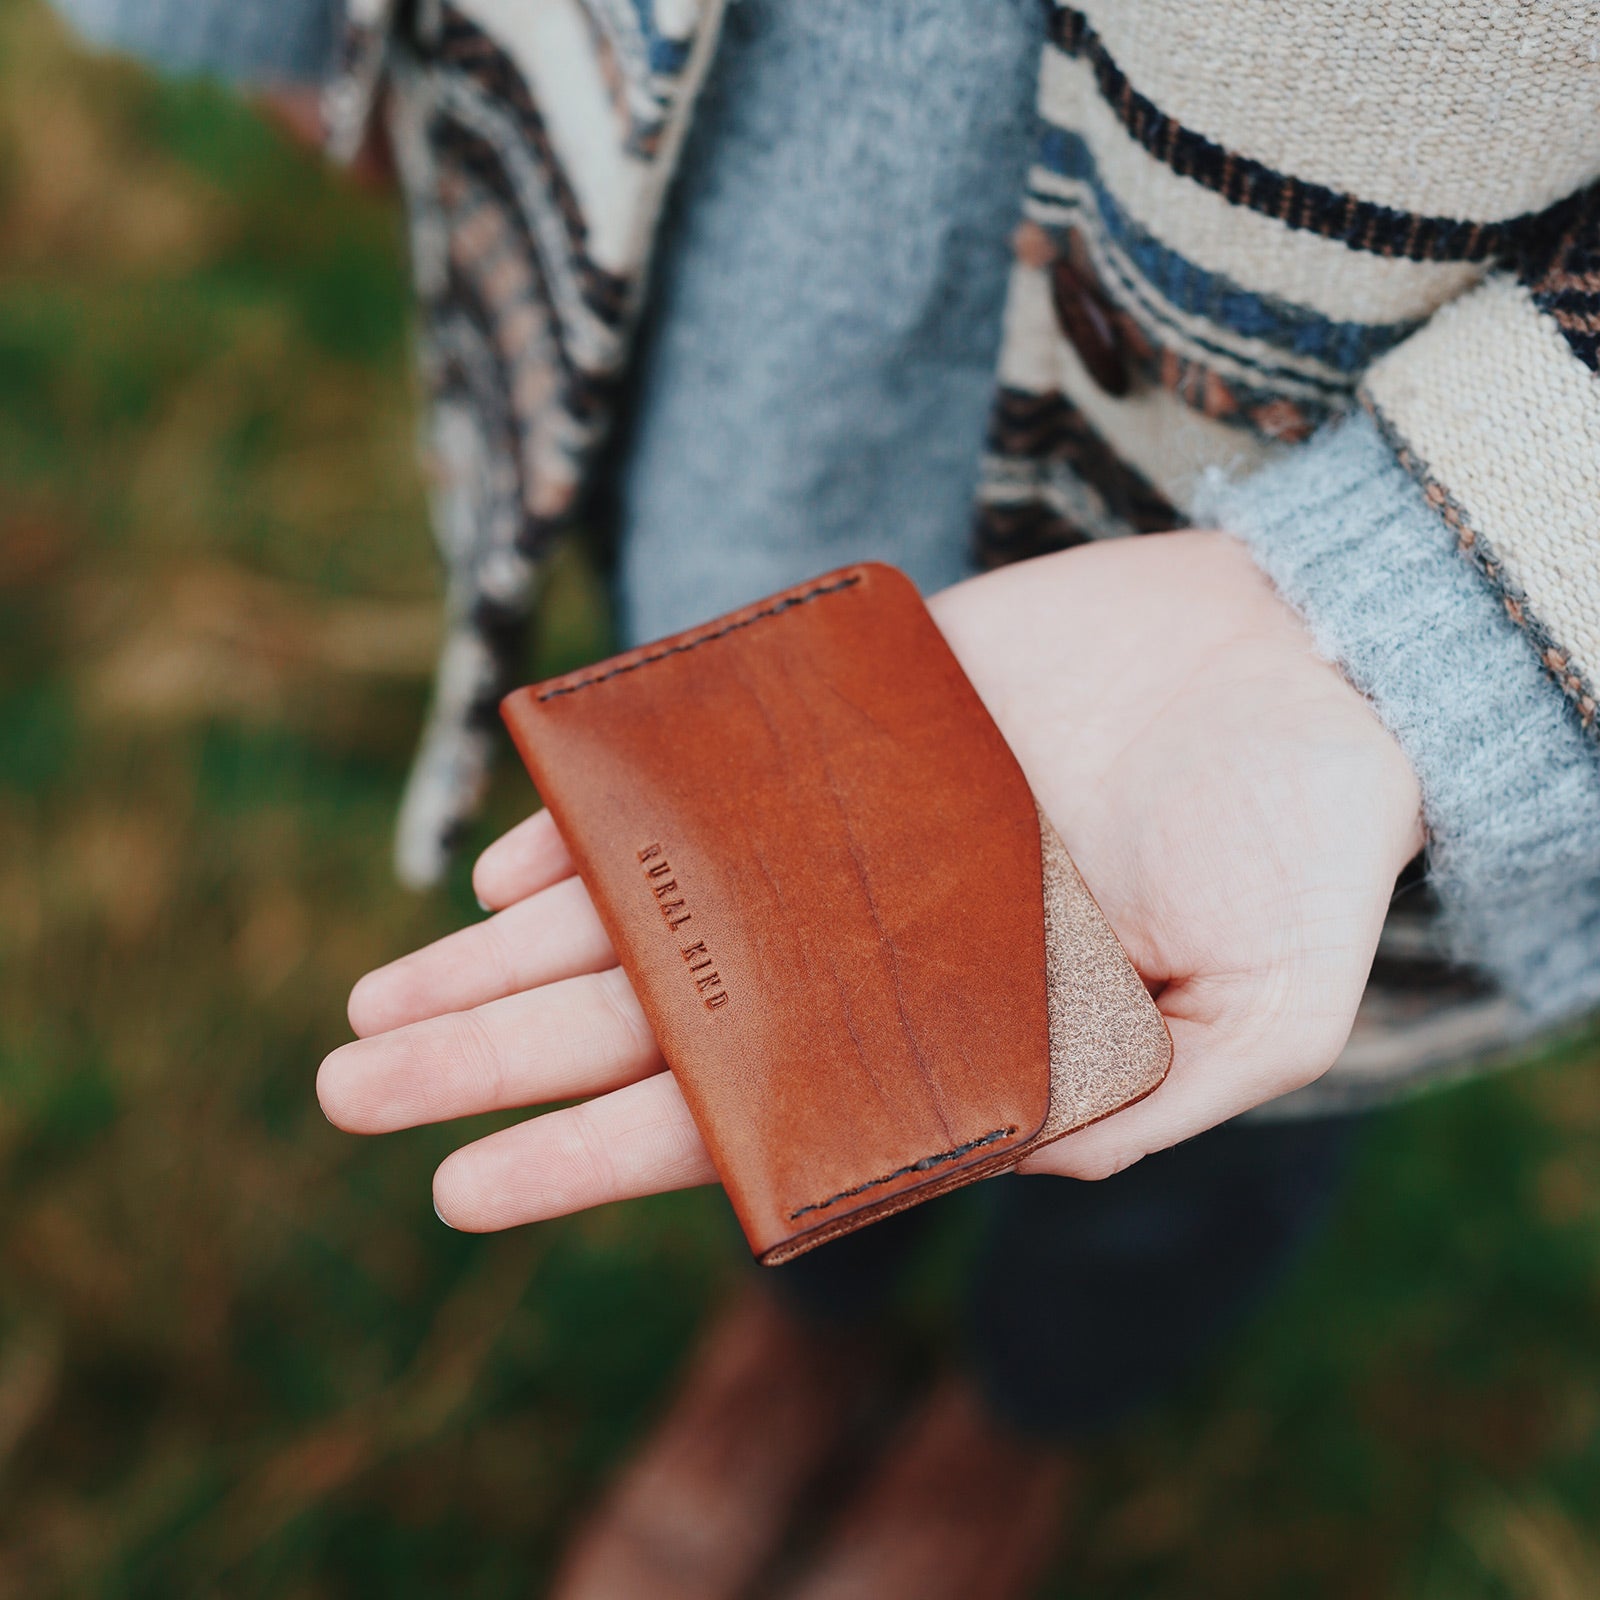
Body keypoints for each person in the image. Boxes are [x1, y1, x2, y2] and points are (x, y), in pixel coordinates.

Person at [62, 2, 1600, 1595]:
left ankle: (1016, 1422)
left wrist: (1425, 611)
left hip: (1345, 547)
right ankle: (796, 1342)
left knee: (1198, 1126)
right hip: (744, 372)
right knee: (778, 1055)